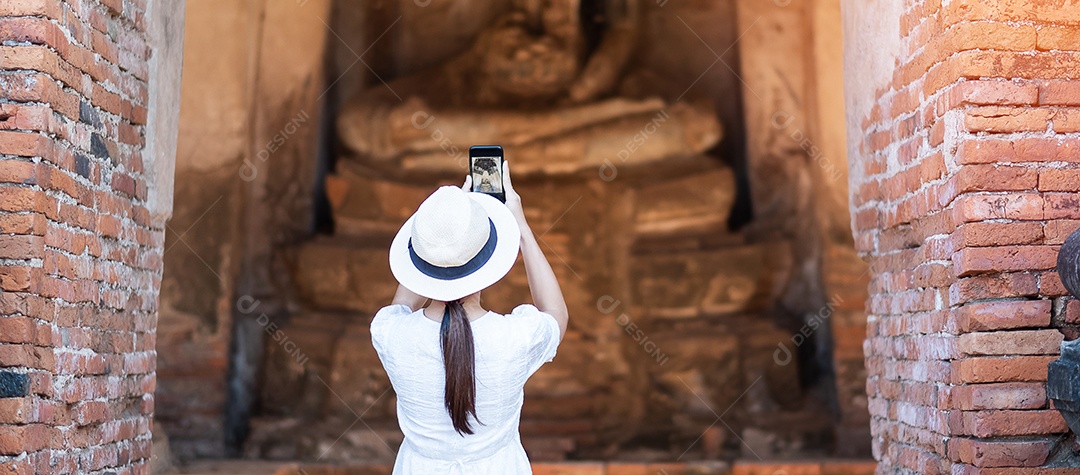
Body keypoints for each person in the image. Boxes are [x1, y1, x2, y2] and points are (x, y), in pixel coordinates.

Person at [371, 162, 569, 474]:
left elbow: (405, 300)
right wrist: (521, 228)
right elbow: (555, 314)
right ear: (490, 265)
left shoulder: (390, 334)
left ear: (419, 263)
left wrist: (438, 234)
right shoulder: (515, 337)